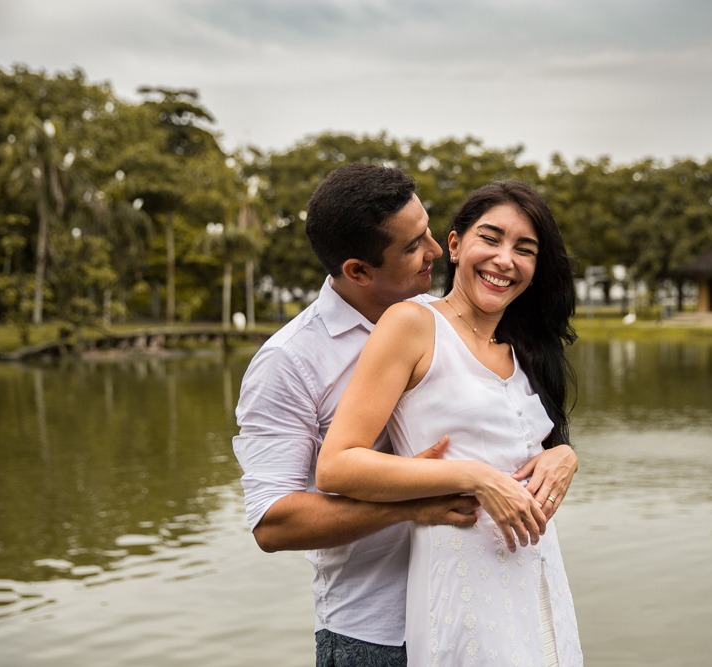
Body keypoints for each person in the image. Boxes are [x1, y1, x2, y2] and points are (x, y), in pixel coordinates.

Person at [233, 164, 579, 667]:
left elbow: (503, 435)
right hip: (372, 631)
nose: (436, 250)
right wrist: (414, 503)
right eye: (415, 244)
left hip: (499, 606)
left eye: (431, 231)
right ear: (358, 270)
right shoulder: (291, 360)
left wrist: (562, 454)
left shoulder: (466, 324)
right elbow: (272, 524)